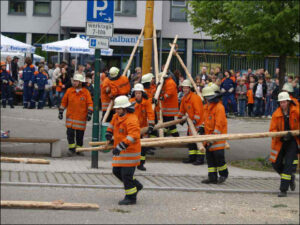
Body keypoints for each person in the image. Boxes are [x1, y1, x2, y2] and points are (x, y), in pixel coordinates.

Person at [105, 95, 143, 205]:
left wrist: (121, 146)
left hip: (130, 152)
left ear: (125, 108)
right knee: (116, 171)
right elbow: (111, 126)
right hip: (120, 150)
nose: (117, 110)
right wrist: (108, 133)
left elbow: (133, 135)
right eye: (116, 108)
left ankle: (131, 197)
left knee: (126, 175)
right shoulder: (116, 116)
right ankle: (136, 185)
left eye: (119, 108)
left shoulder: (132, 119)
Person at [269, 92, 299, 197]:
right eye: (281, 102)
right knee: (275, 163)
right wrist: (280, 136)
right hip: (280, 142)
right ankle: (290, 178)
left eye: (284, 102)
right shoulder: (276, 114)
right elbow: (272, 130)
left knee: (288, 165)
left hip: (293, 142)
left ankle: (283, 190)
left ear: (288, 102)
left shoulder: (296, 111)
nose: (283, 104)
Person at [58, 74, 93, 156]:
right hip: (70, 118)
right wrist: (60, 111)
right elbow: (64, 102)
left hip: (81, 118)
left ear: (80, 82)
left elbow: (90, 103)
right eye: (74, 81)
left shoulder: (85, 92)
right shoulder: (69, 91)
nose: (74, 82)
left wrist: (90, 113)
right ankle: (71, 149)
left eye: (76, 81)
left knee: (80, 135)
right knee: (70, 134)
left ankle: (79, 149)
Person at [201, 86, 229, 184]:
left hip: (218, 137)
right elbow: (206, 121)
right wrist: (202, 127)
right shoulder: (206, 107)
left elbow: (219, 123)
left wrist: (214, 136)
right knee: (210, 158)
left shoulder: (219, 107)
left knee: (219, 156)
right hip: (209, 137)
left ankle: (223, 174)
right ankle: (212, 177)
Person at [177, 80, 205, 165]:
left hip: (199, 123)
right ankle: (192, 158)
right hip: (191, 124)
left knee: (199, 141)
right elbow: (182, 110)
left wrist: (195, 121)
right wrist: (179, 118)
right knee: (191, 142)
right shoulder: (184, 98)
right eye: (183, 88)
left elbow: (199, 112)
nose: (184, 90)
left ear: (190, 88)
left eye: (186, 88)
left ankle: (200, 159)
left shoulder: (195, 98)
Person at [130, 83, 155, 171]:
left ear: (142, 93)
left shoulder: (146, 102)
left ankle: (141, 164)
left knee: (143, 147)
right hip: (133, 128)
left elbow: (150, 114)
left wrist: (151, 125)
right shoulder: (131, 102)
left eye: (139, 93)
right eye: (136, 93)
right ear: (134, 93)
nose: (138, 95)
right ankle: (132, 163)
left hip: (143, 127)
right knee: (133, 146)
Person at [153, 72, 179, 137]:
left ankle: (175, 135)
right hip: (166, 107)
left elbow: (169, 93)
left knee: (170, 122)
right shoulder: (164, 83)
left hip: (170, 107)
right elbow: (160, 92)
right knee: (166, 122)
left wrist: (163, 97)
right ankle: (165, 133)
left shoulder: (170, 82)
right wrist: (157, 87)